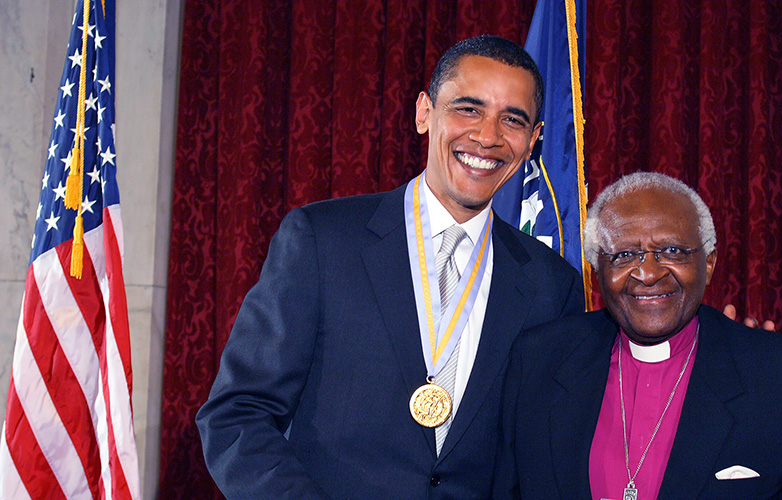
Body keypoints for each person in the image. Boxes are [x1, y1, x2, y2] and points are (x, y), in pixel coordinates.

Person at [195, 35, 584, 499]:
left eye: (512, 119)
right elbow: (237, 414)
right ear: (424, 112)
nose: (487, 136)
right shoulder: (322, 240)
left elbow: (544, 456)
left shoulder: (551, 284)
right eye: (468, 108)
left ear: (533, 139)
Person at [493, 172, 782, 500]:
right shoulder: (538, 361)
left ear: (707, 264)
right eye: (624, 254)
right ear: (597, 269)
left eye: (672, 251)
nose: (648, 273)